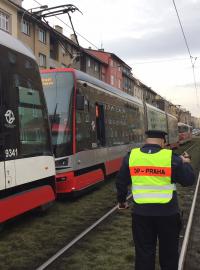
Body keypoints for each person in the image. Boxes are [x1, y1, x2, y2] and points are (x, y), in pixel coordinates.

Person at [116, 130, 195, 270]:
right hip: (168, 214)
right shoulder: (171, 158)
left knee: (143, 253)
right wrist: (186, 163)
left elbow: (121, 182)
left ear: (146, 140)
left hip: (141, 215)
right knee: (169, 254)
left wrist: (122, 201)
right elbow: (188, 181)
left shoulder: (131, 156)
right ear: (162, 142)